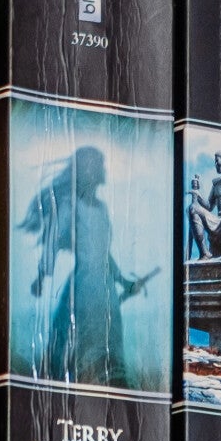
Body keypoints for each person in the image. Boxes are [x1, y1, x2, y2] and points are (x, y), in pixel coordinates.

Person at [23, 142, 158, 389]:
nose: (105, 169)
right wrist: (42, 276)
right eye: (101, 164)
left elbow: (104, 254)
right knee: (79, 353)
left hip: (107, 296)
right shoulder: (71, 205)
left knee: (109, 353)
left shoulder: (102, 209)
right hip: (83, 292)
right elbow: (53, 240)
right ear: (89, 170)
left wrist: (124, 282)